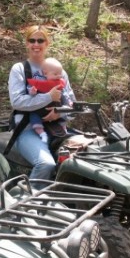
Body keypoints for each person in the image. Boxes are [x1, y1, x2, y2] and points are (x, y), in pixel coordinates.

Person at [8, 25, 76, 180]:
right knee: (46, 164)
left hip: (58, 128)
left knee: (87, 156)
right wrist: (48, 97)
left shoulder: (59, 71)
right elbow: (17, 102)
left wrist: (60, 112)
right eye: (32, 40)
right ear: (26, 43)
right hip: (27, 129)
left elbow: (71, 103)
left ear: (47, 43)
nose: (36, 44)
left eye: (40, 40)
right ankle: (29, 201)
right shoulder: (19, 69)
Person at [26, 57, 72, 143]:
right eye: (55, 74)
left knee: (63, 119)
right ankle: (42, 134)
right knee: (34, 117)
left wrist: (68, 102)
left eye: (60, 74)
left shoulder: (60, 82)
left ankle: (64, 131)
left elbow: (65, 95)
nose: (59, 76)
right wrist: (32, 91)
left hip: (57, 110)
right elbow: (31, 93)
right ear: (45, 73)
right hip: (40, 111)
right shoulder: (38, 80)